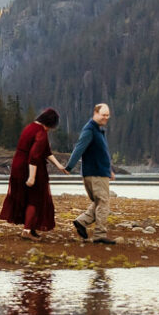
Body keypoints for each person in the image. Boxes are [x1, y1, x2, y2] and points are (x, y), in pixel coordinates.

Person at [0, 108, 61, 236]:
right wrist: (32, 177)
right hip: (29, 168)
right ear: (49, 123)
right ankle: (27, 230)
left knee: (25, 197)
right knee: (35, 199)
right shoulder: (41, 133)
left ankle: (30, 227)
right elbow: (34, 156)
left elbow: (46, 152)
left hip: (17, 165)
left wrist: (59, 165)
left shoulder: (29, 127)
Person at [64, 102, 115, 242]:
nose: (106, 117)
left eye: (107, 115)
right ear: (95, 113)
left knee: (100, 202)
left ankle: (81, 221)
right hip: (95, 174)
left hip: (101, 172)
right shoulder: (90, 130)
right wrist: (69, 167)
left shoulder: (98, 130)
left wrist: (109, 170)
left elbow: (102, 153)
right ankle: (100, 235)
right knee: (103, 203)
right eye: (103, 115)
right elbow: (79, 148)